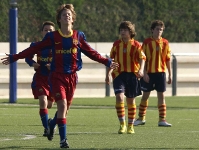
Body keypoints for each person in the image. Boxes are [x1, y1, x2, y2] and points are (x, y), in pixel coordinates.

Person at [1, 4, 119, 148]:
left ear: (73, 18)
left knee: (64, 110)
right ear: (59, 19)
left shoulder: (78, 36)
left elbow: (91, 52)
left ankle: (51, 124)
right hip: (57, 76)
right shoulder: (52, 37)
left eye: (69, 14)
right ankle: (63, 140)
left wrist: (106, 61)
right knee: (62, 106)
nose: (67, 16)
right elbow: (35, 48)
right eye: (64, 14)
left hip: (72, 77)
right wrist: (15, 57)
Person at [105, 21, 146, 134]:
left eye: (125, 30)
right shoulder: (116, 44)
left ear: (130, 32)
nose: (122, 32)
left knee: (131, 101)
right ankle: (122, 124)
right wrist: (108, 74)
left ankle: (130, 125)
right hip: (119, 75)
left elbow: (142, 58)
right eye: (121, 30)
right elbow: (112, 60)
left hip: (132, 75)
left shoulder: (136, 45)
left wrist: (141, 70)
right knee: (119, 97)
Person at [134, 20, 172, 127]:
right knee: (145, 95)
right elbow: (143, 58)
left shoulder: (165, 43)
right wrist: (144, 73)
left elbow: (168, 59)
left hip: (160, 74)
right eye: (157, 29)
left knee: (161, 96)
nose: (159, 31)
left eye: (161, 30)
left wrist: (170, 74)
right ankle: (141, 118)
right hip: (149, 74)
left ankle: (162, 120)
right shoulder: (146, 42)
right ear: (152, 30)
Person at [25, 21, 55, 137]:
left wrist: (53, 65)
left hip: (53, 79)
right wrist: (33, 63)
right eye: (46, 30)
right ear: (42, 32)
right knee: (43, 101)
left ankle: (48, 122)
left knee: (50, 104)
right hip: (40, 78)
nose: (48, 32)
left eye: (50, 30)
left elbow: (64, 59)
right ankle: (47, 129)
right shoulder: (36, 45)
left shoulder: (58, 46)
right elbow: (28, 57)